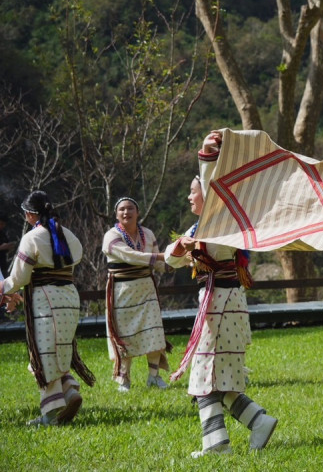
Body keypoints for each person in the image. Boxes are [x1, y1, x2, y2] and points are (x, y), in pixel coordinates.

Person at [165, 132, 277, 458]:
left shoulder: (220, 223)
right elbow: (171, 260)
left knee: (204, 377)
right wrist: (182, 246)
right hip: (226, 304)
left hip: (219, 306)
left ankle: (216, 445)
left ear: (208, 194)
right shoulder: (204, 228)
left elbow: (212, 184)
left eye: (193, 191)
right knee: (220, 379)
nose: (189, 197)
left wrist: (209, 154)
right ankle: (259, 421)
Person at [1, 191, 94, 425]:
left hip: (45, 299)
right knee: (59, 348)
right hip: (69, 297)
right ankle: (70, 391)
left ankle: (50, 414)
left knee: (43, 355)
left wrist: (3, 288)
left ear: (31, 214)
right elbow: (76, 257)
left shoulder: (32, 238)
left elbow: (20, 278)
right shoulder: (68, 235)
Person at [103, 197, 171, 392]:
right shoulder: (111, 236)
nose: (126, 212)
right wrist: (161, 256)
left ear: (137, 212)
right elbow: (131, 256)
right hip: (122, 293)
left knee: (154, 331)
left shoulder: (148, 234)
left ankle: (154, 376)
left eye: (130, 208)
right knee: (125, 335)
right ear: (116, 215)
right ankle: (124, 379)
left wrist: (178, 261)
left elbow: (159, 265)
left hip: (147, 291)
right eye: (122, 209)